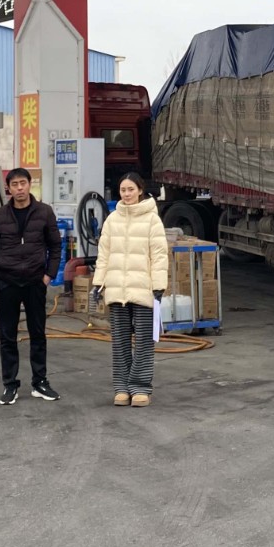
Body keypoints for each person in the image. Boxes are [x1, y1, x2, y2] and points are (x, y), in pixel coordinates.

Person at [0, 167, 62, 406]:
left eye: (23, 183)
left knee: (38, 334)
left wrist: (48, 275)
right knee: (7, 336)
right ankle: (10, 384)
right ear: (9, 188)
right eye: (14, 184)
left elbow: (55, 246)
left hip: (35, 282)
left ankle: (40, 382)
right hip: (7, 283)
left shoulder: (44, 212)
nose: (19, 188)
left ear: (29, 184)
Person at [91, 173, 169, 407]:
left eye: (131, 189)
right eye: (123, 190)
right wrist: (98, 282)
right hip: (117, 289)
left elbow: (159, 255)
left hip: (143, 289)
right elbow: (104, 254)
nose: (126, 194)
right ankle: (122, 388)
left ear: (140, 190)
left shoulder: (152, 220)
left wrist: (158, 286)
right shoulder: (112, 219)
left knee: (144, 341)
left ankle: (140, 388)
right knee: (120, 342)